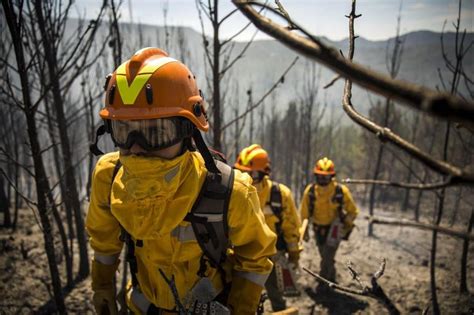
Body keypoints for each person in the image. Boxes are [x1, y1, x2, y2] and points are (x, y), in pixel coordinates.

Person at [86, 47, 276, 314]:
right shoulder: (109, 177)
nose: (137, 148)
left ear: (189, 130)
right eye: (125, 132)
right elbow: (105, 241)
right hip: (145, 305)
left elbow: (255, 258)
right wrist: (102, 286)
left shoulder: (228, 190)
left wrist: (241, 308)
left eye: (155, 133)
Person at [234, 144, 301, 313]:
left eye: (252, 174)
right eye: (242, 172)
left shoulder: (280, 195)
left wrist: (294, 255)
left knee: (276, 294)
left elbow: (292, 227)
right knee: (239, 299)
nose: (247, 178)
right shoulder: (232, 193)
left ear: (264, 173)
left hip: (273, 257)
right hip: (240, 257)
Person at [300, 157, 358, 292]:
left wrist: (346, 224)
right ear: (316, 176)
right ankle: (331, 276)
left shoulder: (340, 191)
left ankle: (324, 282)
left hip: (335, 228)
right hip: (318, 228)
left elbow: (353, 211)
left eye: (326, 177)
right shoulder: (310, 191)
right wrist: (304, 231)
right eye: (320, 177)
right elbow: (304, 214)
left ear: (332, 176)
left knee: (327, 256)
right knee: (325, 255)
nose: (323, 180)